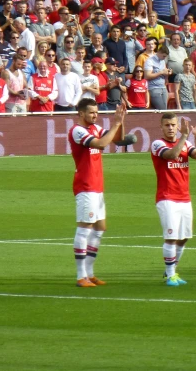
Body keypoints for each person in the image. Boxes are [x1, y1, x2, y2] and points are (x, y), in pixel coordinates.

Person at [68, 100, 127, 287]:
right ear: (81, 113)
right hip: (86, 186)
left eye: (96, 112)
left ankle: (90, 273)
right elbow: (102, 144)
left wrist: (121, 121)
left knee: (100, 228)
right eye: (91, 112)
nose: (95, 115)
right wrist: (116, 124)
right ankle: (80, 276)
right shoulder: (77, 131)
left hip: (97, 186)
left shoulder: (95, 128)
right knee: (84, 229)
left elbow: (118, 140)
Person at [151, 114, 196, 286]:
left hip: (184, 197)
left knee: (184, 237)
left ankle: (172, 270)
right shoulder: (157, 144)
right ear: (161, 127)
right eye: (167, 125)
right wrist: (184, 135)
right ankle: (170, 275)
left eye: (173, 125)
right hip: (167, 198)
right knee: (171, 237)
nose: (170, 128)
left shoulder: (187, 143)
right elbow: (171, 155)